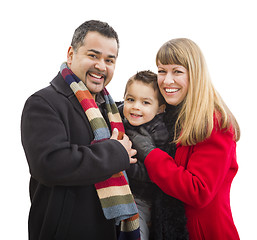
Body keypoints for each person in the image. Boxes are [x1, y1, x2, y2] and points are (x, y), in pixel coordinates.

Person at [21, 20, 139, 240]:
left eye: (109, 60)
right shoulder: (43, 103)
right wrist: (115, 152)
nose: (101, 66)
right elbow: (50, 164)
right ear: (71, 54)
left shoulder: (113, 110)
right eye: (93, 56)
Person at [127, 38, 240, 240]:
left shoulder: (214, 123)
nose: (167, 80)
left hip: (203, 233)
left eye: (177, 71)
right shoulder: (167, 116)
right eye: (162, 71)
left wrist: (150, 153)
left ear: (194, 74)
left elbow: (198, 191)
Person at [119, 70, 168, 240]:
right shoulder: (119, 117)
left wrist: (124, 163)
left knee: (136, 232)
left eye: (145, 102)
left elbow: (153, 173)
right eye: (130, 99)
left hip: (142, 197)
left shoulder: (159, 131)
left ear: (160, 109)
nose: (136, 107)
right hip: (120, 191)